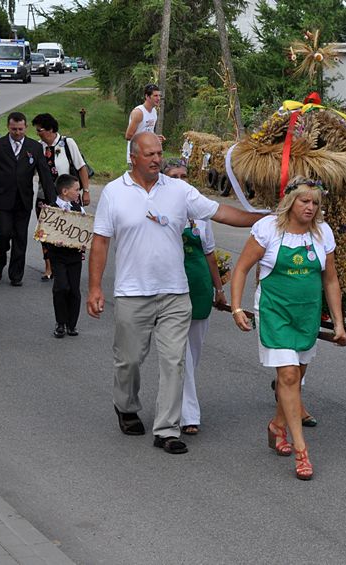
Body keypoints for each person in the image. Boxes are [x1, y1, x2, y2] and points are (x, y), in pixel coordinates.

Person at [87, 132, 265, 455]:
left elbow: (221, 213)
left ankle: (167, 429)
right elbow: (100, 242)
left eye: (159, 153)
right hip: (132, 293)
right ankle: (126, 406)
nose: (156, 159)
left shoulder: (180, 191)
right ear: (133, 157)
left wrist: (266, 219)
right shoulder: (114, 193)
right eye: (149, 154)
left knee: (175, 361)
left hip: (174, 293)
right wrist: (95, 287)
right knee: (128, 360)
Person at [230, 176, 346, 481]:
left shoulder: (323, 233)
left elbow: (331, 279)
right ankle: (301, 451)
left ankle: (276, 425)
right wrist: (236, 307)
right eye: (304, 201)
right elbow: (242, 267)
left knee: (297, 376)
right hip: (275, 312)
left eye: (315, 203)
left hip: (307, 314)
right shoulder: (268, 229)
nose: (311, 207)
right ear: (290, 202)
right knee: (289, 375)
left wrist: (338, 323)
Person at [162, 159, 227, 436]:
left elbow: (210, 254)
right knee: (180, 353)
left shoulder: (200, 213)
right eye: (175, 176)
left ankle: (176, 399)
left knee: (193, 352)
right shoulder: (159, 210)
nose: (181, 180)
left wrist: (219, 289)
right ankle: (189, 414)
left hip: (199, 284)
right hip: (171, 286)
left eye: (184, 175)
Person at [0, 112, 55, 286]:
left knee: (20, 237)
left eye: (20, 129)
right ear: (8, 127)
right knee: (3, 234)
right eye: (14, 129)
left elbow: (45, 174)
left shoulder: (34, 147)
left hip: (23, 199)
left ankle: (16, 273)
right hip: (1, 198)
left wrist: (53, 199)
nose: (17, 132)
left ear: (25, 127)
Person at [32, 113, 91, 280]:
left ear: (50, 129)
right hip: (45, 196)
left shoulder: (67, 143)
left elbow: (81, 167)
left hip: (68, 193)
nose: (38, 133)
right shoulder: (38, 147)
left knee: (70, 228)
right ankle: (49, 266)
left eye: (40, 130)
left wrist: (85, 190)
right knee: (47, 231)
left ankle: (71, 264)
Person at [45, 174, 85, 338]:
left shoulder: (78, 209)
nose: (78, 193)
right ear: (65, 191)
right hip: (58, 255)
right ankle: (60, 322)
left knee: (74, 290)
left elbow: (84, 230)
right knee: (61, 287)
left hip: (74, 256)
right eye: (76, 190)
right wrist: (53, 242)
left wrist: (84, 243)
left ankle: (71, 324)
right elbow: (43, 234)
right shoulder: (52, 209)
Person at [124, 83, 163, 165]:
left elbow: (148, 131)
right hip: (136, 155)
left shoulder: (154, 111)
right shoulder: (139, 112)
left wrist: (155, 138)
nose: (158, 98)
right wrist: (146, 140)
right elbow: (128, 136)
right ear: (147, 96)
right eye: (155, 96)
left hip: (149, 155)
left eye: (159, 96)